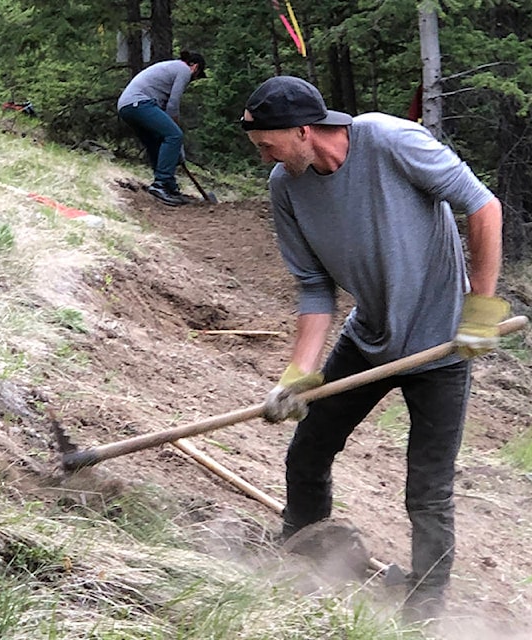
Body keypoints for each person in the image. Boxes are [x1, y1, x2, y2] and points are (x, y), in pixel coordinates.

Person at [240, 76, 510, 624]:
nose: (263, 155)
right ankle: (302, 560)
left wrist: (480, 306)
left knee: (427, 491)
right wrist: (301, 371)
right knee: (307, 453)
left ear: (303, 130)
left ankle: (423, 611)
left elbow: (483, 207)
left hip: (441, 348)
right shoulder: (285, 186)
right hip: (370, 339)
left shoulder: (390, 141)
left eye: (267, 143)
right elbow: (315, 287)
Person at [117, 51, 207, 207]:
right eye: (197, 76)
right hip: (140, 103)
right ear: (195, 67)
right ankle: (161, 184)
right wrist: (177, 138)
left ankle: (169, 186)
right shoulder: (184, 69)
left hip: (127, 106)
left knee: (156, 142)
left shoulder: (170, 67)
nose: (192, 80)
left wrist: (177, 149)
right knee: (174, 135)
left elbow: (165, 110)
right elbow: (173, 105)